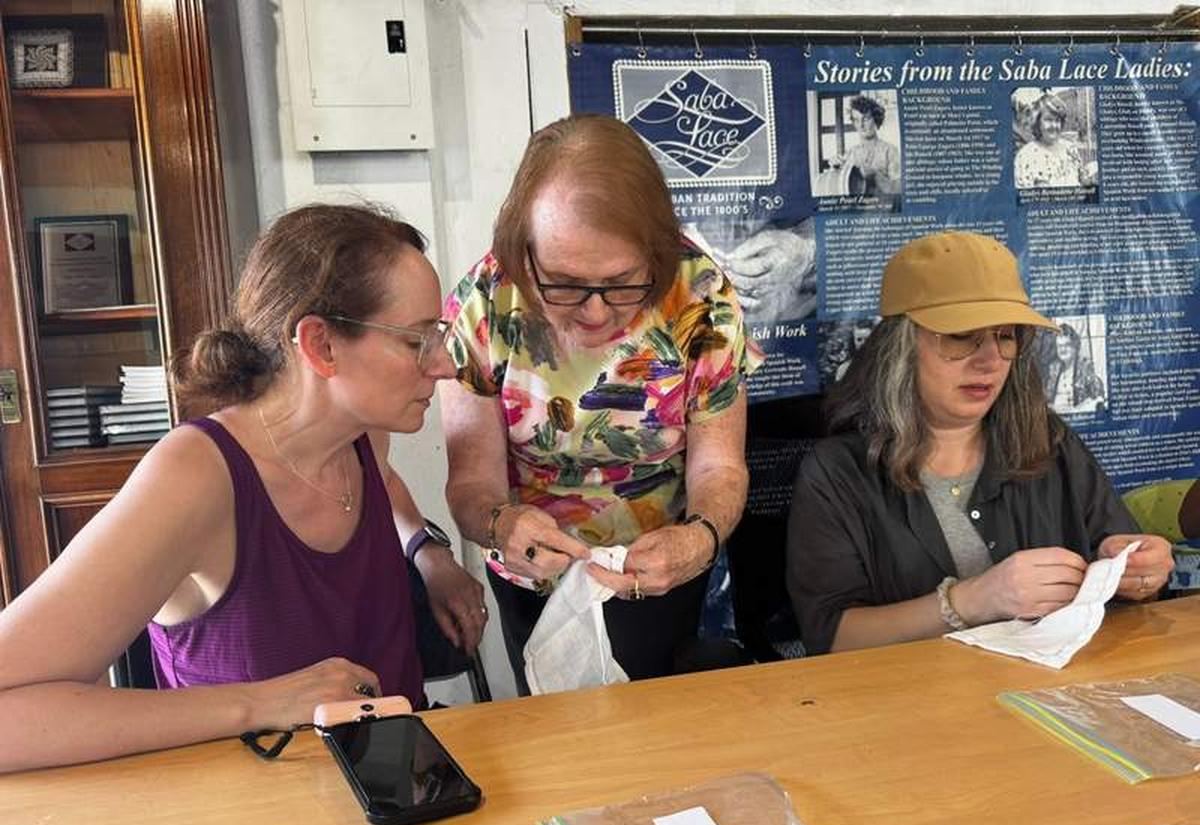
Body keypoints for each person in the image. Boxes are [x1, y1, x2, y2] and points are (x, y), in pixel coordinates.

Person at [0, 203, 484, 772]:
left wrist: (426, 555)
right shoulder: (195, 478)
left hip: (398, 779)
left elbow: (385, 483)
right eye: (416, 341)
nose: (445, 367)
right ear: (321, 346)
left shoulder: (363, 437)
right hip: (256, 817)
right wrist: (263, 703)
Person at [441, 115, 762, 694]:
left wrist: (701, 538)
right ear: (523, 251)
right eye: (562, 284)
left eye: (622, 283)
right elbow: (470, 484)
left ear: (656, 255)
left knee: (663, 720)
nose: (594, 312)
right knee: (557, 733)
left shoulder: (700, 296)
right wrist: (500, 523)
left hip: (662, 566)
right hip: (530, 569)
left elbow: (720, 465)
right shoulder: (487, 303)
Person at [786, 231, 1173, 654]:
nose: (988, 360)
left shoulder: (1050, 443)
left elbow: (1129, 584)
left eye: (1004, 335)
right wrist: (973, 600)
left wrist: (1140, 575)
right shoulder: (838, 471)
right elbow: (832, 638)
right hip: (911, 705)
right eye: (961, 335)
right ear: (901, 347)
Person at [1014, 93, 1096, 189]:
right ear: (1037, 122)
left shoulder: (1070, 148)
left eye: (1057, 120)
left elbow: (1081, 182)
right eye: (1048, 120)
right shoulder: (1025, 156)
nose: (1054, 125)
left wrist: (1087, 180)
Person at [832, 95, 901, 196]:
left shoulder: (890, 151)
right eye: (856, 120)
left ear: (876, 119)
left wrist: (876, 175)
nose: (861, 125)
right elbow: (843, 187)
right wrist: (836, 169)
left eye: (866, 119)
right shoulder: (851, 153)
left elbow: (898, 190)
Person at [1043, 321, 1106, 413]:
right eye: (1059, 346)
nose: (1063, 349)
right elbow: (1047, 397)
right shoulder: (1053, 369)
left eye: (1066, 345)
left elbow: (1098, 396)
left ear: (1075, 346)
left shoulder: (1085, 367)